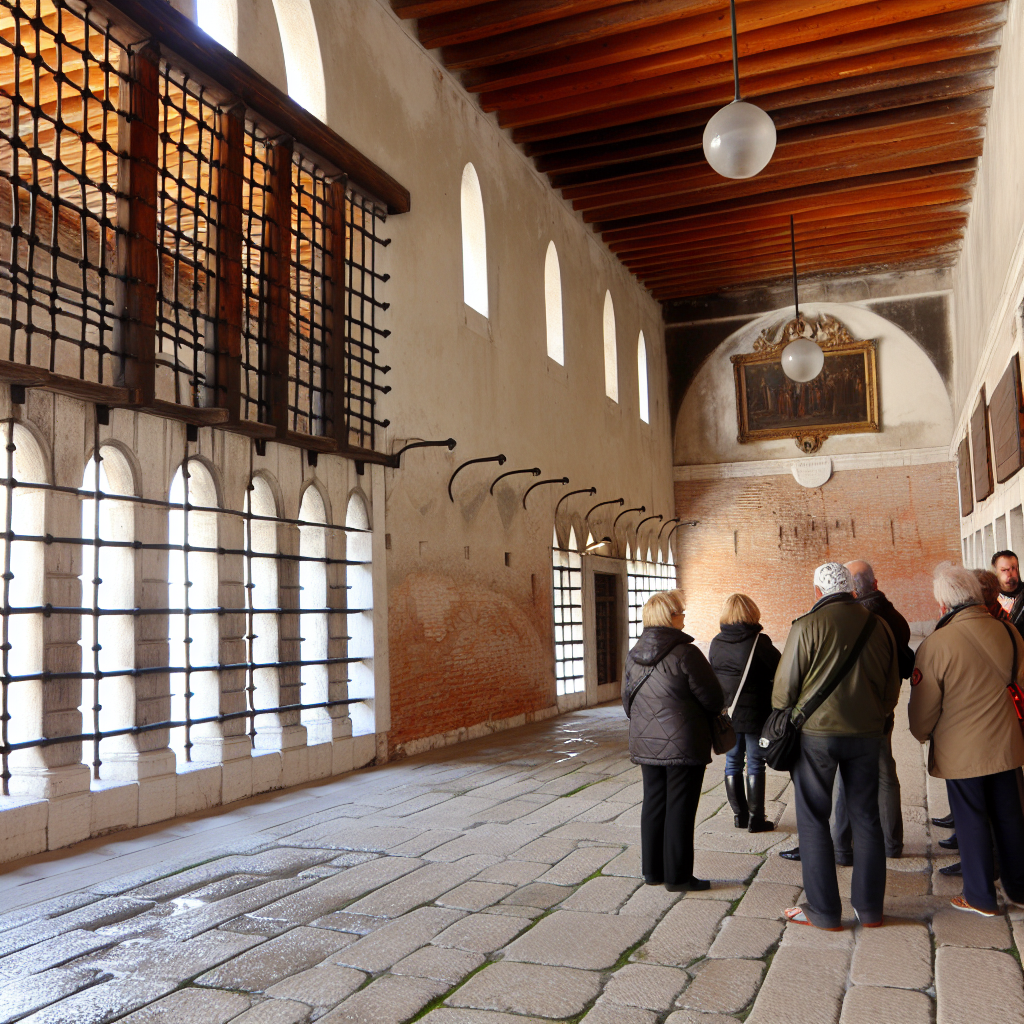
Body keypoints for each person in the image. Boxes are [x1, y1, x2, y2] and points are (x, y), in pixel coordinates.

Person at [773, 562, 900, 930]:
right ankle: (871, 909)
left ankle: (825, 912)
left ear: (817, 592)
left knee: (813, 819)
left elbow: (782, 693)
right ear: (853, 590)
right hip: (866, 736)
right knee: (866, 818)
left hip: (816, 738)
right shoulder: (880, 627)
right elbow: (891, 690)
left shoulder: (805, 626)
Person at [909, 562, 1024, 916]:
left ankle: (979, 896)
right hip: (1007, 744)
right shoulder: (1010, 633)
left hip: (962, 750)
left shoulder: (937, 643)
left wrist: (922, 734)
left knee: (972, 817)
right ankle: (1020, 888)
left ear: (943, 604)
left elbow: (924, 708)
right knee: (1010, 816)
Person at [622, 590, 724, 893]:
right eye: (680, 612)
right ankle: (678, 877)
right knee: (680, 806)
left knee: (653, 802)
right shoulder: (687, 653)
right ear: (670, 617)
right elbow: (713, 699)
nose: (684, 616)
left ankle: (652, 872)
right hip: (684, 743)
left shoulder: (633, 654)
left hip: (645, 743)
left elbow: (627, 703)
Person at [831, 559, 914, 861]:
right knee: (884, 774)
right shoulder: (896, 618)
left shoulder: (849, 619)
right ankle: (892, 844)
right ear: (875, 584)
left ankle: (841, 846)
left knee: (846, 777)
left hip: (850, 712)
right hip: (881, 710)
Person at [708, 593, 781, 833]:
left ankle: (739, 816)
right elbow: (779, 670)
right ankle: (756, 819)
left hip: (727, 714)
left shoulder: (717, 642)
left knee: (732, 762)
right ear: (752, 613)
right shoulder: (760, 642)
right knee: (756, 763)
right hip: (755, 714)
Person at [992, 550, 1024, 627]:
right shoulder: (990, 599)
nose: (1009, 574)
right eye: (1004, 570)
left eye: (1013, 569)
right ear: (995, 571)